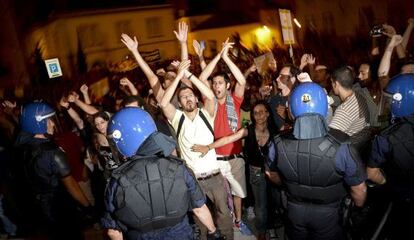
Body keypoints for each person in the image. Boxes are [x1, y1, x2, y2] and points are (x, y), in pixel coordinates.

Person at [102, 107, 225, 240]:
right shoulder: (178, 167)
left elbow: (113, 231)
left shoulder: (117, 180)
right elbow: (199, 208)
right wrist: (213, 231)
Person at [267, 83, 367, 240]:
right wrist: (358, 208)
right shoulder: (341, 144)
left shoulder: (277, 142)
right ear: (325, 108)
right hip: (330, 215)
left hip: (294, 211)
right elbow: (359, 189)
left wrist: (288, 183)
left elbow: (270, 173)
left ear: (291, 111)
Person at [160, 60, 234, 239]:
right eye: (183, 97)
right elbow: (163, 103)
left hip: (214, 176)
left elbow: (209, 96)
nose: (187, 98)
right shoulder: (177, 118)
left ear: (195, 98)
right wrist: (178, 76)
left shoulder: (206, 113)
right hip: (193, 180)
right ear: (179, 102)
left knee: (224, 215)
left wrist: (189, 75)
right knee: (201, 220)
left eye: (190, 95)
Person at [192, 101, 279, 240]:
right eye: (255, 113)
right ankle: (262, 231)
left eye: (262, 112)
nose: (258, 115)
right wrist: (209, 147)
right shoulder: (248, 130)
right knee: (261, 205)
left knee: (274, 202)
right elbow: (228, 138)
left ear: (268, 113)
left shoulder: (275, 131)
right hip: (256, 173)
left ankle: (271, 227)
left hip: (274, 173)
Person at [16, 102, 92, 240]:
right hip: (60, 206)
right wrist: (88, 207)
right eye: (48, 120)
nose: (52, 124)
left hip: (40, 206)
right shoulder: (53, 153)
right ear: (37, 123)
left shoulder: (23, 146)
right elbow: (71, 185)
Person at [367, 73, 414, 239]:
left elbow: (372, 173)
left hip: (403, 200)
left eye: (390, 99)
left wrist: (389, 183)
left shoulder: (386, 137)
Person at [329, 66, 370, 136]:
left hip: (347, 144)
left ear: (336, 84)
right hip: (359, 139)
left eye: (332, 82)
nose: (331, 85)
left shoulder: (344, 110)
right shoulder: (359, 96)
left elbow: (329, 138)